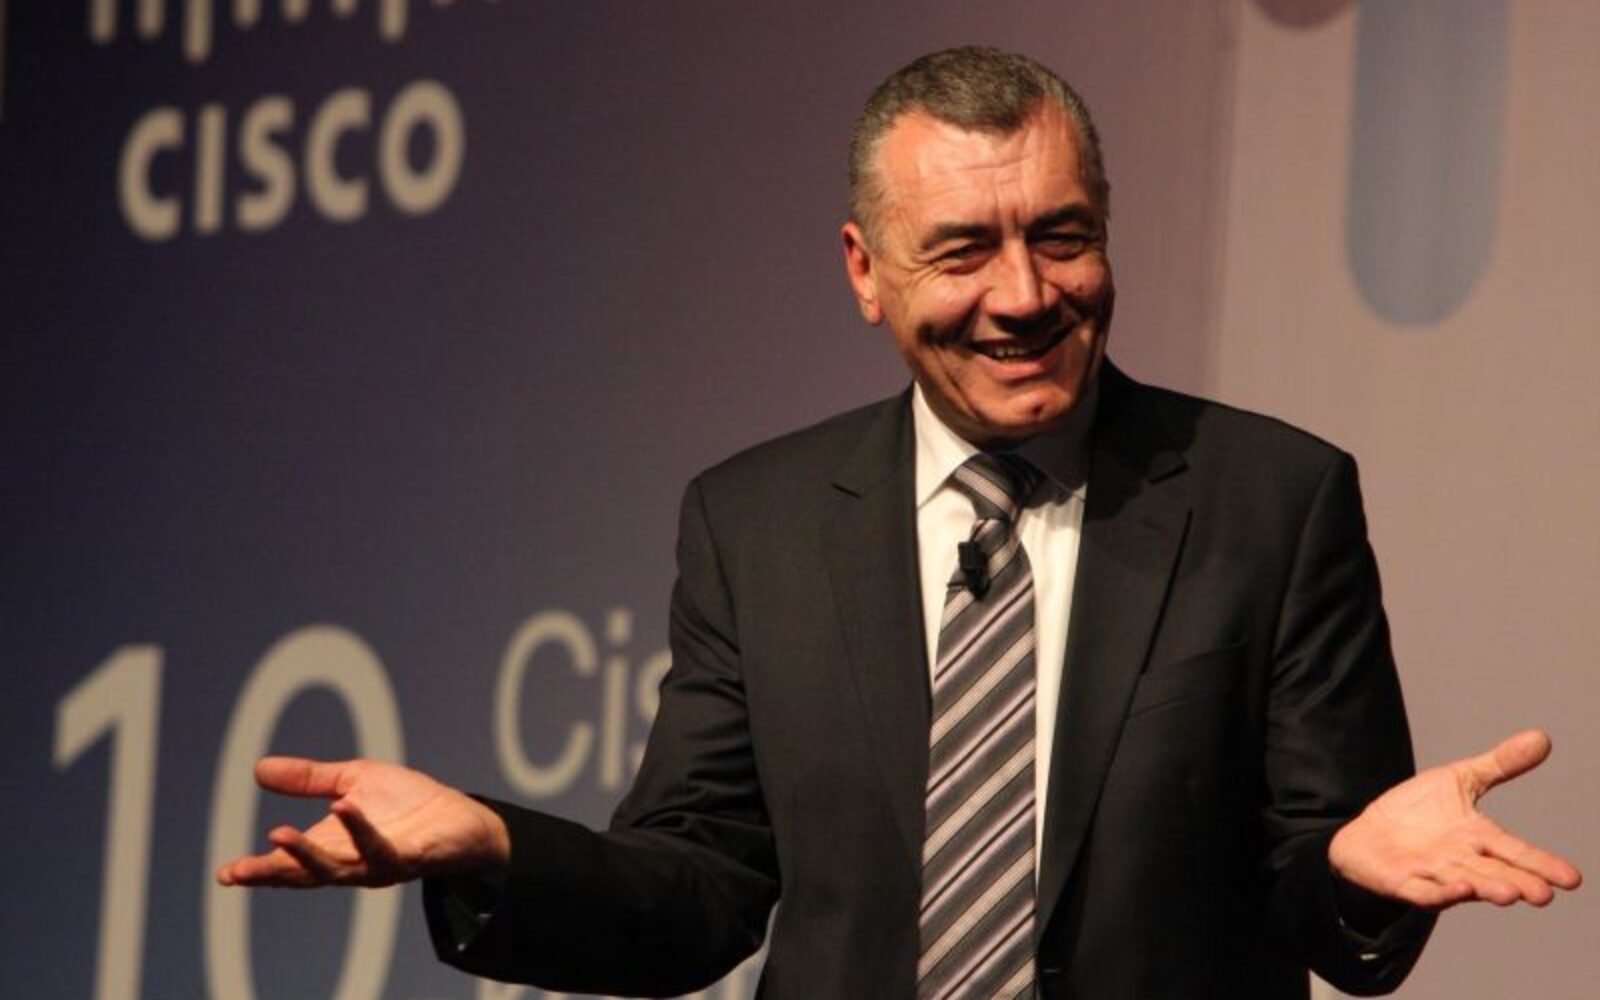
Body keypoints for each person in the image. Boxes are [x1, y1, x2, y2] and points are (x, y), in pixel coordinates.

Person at [217, 47, 1581, 999]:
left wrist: (1355, 871)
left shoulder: (1270, 499)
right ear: (866, 272)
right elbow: (695, 893)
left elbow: (1327, 901)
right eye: (963, 249)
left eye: (1061, 236)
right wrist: (495, 847)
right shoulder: (757, 524)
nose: (1023, 295)